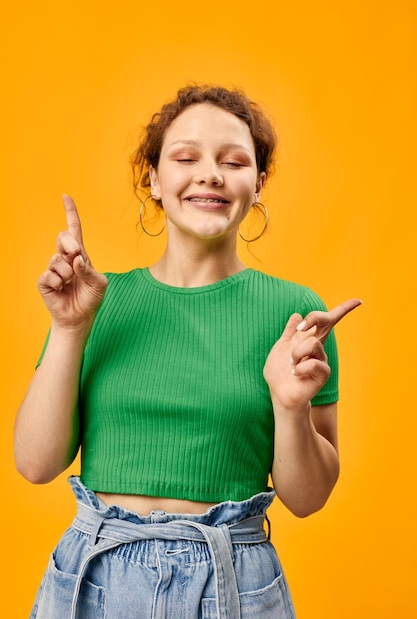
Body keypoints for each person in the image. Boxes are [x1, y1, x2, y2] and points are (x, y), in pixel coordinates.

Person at [14, 84, 361, 619]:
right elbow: (35, 464)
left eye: (234, 161)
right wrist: (67, 328)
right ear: (153, 178)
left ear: (258, 183)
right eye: (186, 157)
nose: (211, 174)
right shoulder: (98, 301)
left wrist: (289, 406)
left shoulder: (295, 312)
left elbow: (308, 498)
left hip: (233, 580)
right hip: (97, 576)